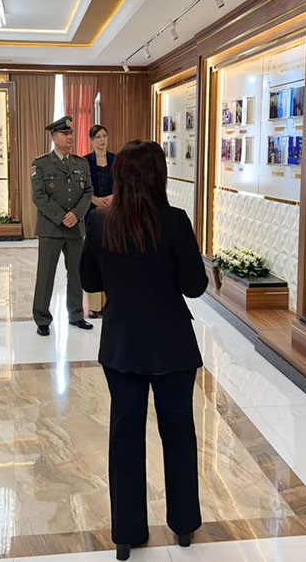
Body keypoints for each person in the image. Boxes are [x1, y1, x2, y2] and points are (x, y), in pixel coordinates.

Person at [79, 140, 207, 561]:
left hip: (122, 345)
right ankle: (184, 524)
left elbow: (90, 281)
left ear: (120, 176)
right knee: (179, 431)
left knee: (125, 433)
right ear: (159, 176)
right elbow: (195, 286)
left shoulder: (101, 222)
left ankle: (127, 532)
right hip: (172, 345)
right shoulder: (175, 220)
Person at [30, 116, 94, 337]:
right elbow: (39, 196)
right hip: (51, 229)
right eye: (65, 134)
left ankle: (76, 314)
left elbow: (88, 192)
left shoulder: (81, 163)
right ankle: (42, 319)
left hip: (75, 228)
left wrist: (76, 214)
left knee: (76, 273)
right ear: (54, 137)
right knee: (45, 275)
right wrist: (62, 217)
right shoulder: (41, 164)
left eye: (71, 134)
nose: (70, 137)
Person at [85, 124, 115, 319]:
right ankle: (95, 306)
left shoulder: (116, 160)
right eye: (98, 137)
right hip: (92, 214)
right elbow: (81, 188)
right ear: (91, 140)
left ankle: (110, 303)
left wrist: (113, 197)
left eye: (105, 136)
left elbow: (123, 183)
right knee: (95, 258)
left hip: (113, 214)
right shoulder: (85, 162)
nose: (102, 140)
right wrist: (94, 199)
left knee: (112, 258)